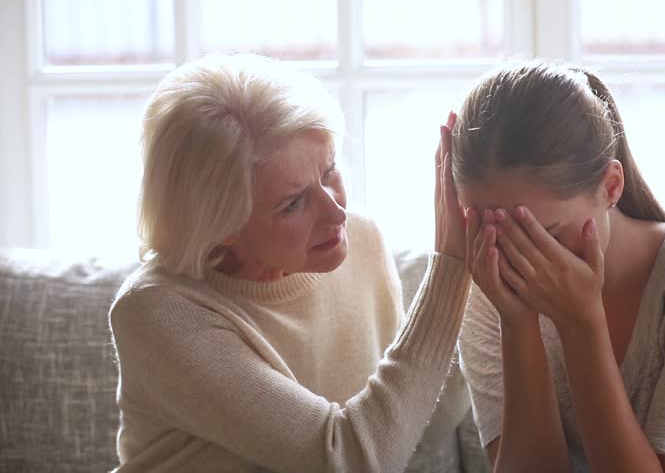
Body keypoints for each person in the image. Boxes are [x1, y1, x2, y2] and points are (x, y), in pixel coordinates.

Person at [108, 53, 472, 472]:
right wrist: (451, 267)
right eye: (293, 203)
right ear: (221, 223)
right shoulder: (157, 313)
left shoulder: (361, 239)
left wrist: (490, 264)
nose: (336, 213)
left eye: (330, 170)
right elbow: (347, 459)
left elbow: (424, 422)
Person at [454, 60, 665, 472]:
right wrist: (518, 324)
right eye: (492, 233)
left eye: (547, 235)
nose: (518, 261)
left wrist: (581, 322)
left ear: (611, 187)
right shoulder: (491, 284)